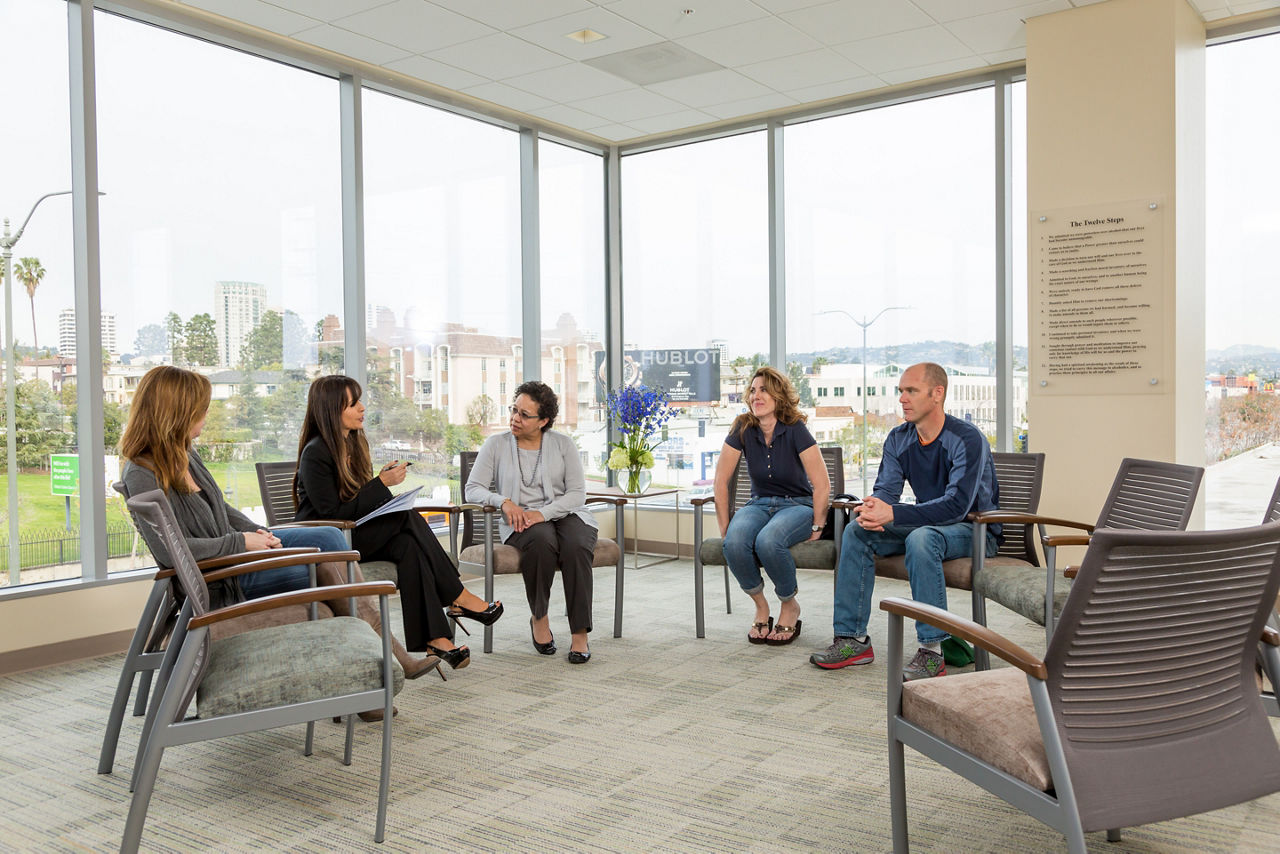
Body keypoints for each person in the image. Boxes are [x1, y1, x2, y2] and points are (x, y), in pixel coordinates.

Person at [119, 365, 440, 703]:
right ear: (176, 412)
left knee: (329, 540)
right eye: (201, 410)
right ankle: (384, 666)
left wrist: (256, 531)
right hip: (224, 578)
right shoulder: (142, 473)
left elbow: (221, 508)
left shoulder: (184, 454)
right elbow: (173, 553)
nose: (206, 415)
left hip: (236, 557)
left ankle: (376, 676)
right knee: (329, 571)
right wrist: (242, 542)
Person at [294, 375, 502, 671]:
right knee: (406, 516)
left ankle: (437, 639)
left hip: (352, 534)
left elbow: (355, 502)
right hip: (329, 543)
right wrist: (380, 484)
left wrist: (379, 485)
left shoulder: (350, 444)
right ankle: (458, 596)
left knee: (408, 546)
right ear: (331, 410)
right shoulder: (315, 452)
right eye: (353, 404)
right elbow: (334, 513)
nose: (363, 408)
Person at [811, 362, 1000, 680]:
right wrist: (873, 509)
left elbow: (956, 506)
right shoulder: (899, 438)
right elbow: (886, 490)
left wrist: (895, 513)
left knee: (921, 537)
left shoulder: (967, 439)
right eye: (901, 391)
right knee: (858, 532)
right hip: (928, 525)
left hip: (975, 530)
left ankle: (932, 651)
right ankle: (852, 639)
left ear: (937, 393)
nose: (902, 398)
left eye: (911, 390)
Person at [465, 381, 597, 664]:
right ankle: (540, 616)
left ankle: (579, 633)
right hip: (523, 521)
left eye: (525, 414)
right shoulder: (496, 444)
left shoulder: (563, 445)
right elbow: (472, 488)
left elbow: (577, 494)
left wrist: (544, 513)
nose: (515, 418)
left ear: (544, 421)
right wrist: (503, 501)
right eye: (514, 410)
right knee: (541, 540)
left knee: (575, 546)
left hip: (567, 514)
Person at [715, 366, 830, 646]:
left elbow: (822, 483)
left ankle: (789, 604)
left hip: (796, 505)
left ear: (778, 395)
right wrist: (725, 527)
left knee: (768, 541)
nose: (757, 395)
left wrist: (818, 523)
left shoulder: (795, 429)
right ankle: (761, 606)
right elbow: (720, 481)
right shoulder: (743, 427)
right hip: (758, 504)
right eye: (753, 390)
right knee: (734, 542)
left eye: (764, 390)